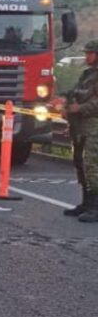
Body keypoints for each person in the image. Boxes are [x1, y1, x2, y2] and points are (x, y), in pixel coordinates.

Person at [64, 40, 98, 222]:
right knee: (81, 165)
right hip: (80, 127)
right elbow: (75, 94)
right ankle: (86, 203)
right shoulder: (86, 75)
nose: (87, 56)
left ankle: (95, 207)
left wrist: (80, 108)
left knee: (92, 166)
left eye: (90, 53)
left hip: (94, 127)